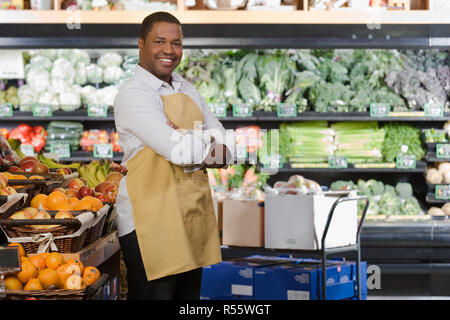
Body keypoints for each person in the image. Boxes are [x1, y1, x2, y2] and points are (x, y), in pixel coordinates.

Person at [113, 11, 234, 300]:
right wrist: (201, 142)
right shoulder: (133, 94)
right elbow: (177, 151)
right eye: (160, 41)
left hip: (190, 216)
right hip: (149, 221)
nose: (169, 50)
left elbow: (227, 143)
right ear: (141, 44)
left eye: (176, 43)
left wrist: (187, 138)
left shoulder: (186, 88)